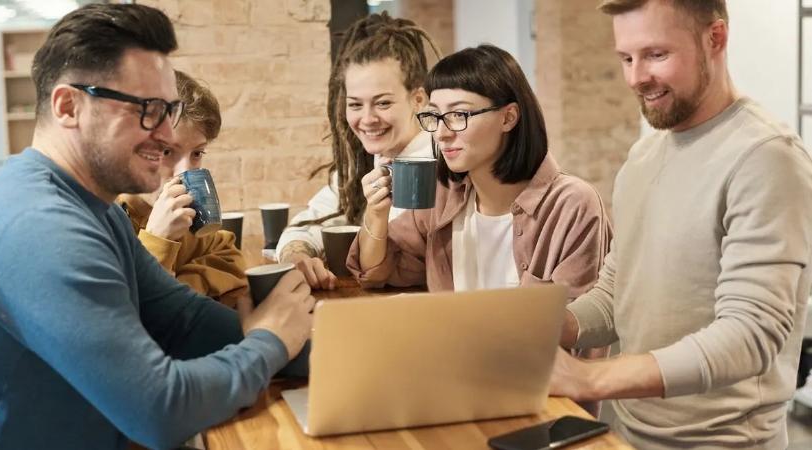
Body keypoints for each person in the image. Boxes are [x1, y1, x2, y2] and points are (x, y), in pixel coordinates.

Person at [0, 4, 314, 450]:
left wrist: (324, 349)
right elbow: (161, 410)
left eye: (169, 109)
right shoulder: (42, 228)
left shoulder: (93, 207)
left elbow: (183, 320)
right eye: (147, 109)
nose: (165, 134)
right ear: (69, 106)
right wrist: (271, 341)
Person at [548, 1, 812, 449]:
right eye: (626, 59)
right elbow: (619, 293)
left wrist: (590, 378)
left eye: (655, 55)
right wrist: (551, 326)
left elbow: (748, 335)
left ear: (716, 39)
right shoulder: (642, 158)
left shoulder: (767, 158)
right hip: (623, 434)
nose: (635, 78)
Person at [347, 44, 612, 298]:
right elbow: (376, 272)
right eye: (435, 116)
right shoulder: (443, 195)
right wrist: (376, 212)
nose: (441, 133)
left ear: (508, 118)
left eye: (459, 115)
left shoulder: (571, 205)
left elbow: (580, 329)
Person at [276, 13, 439, 290]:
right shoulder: (367, 163)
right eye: (355, 105)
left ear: (418, 99)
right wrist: (297, 255)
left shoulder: (448, 156)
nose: (367, 119)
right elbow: (308, 223)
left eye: (383, 103)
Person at [118, 70, 248, 308]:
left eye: (196, 153)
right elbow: (126, 312)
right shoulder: (108, 220)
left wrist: (182, 286)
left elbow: (230, 257)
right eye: (166, 151)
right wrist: (157, 240)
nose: (183, 172)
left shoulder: (186, 220)